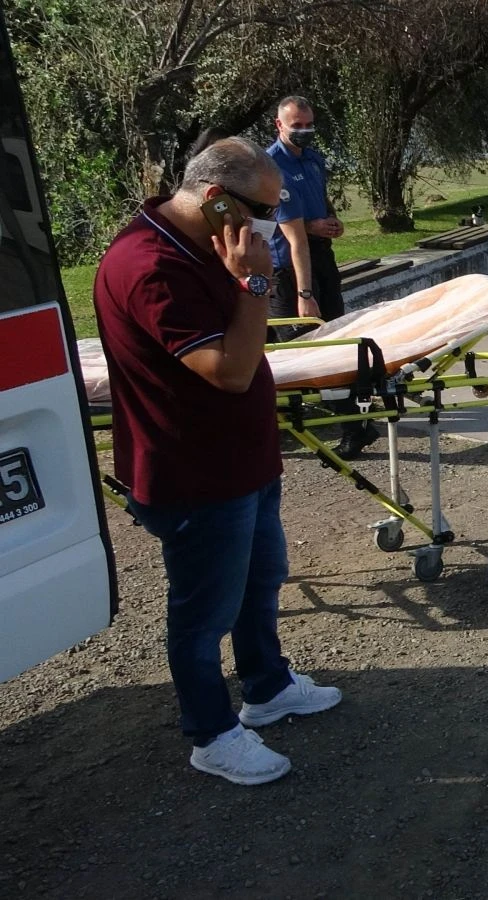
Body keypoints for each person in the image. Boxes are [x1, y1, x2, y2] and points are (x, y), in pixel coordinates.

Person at [93, 137, 343, 785]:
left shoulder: (209, 239)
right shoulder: (150, 266)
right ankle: (211, 732)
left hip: (243, 460)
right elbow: (229, 371)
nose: (267, 225)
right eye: (260, 210)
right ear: (212, 200)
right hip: (194, 473)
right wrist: (258, 280)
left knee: (261, 581)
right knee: (204, 611)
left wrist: (245, 278)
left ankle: (266, 687)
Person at [266, 96, 375, 456]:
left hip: (320, 260)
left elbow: (318, 209)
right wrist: (304, 292)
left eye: (309, 124)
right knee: (300, 345)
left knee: (332, 343)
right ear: (279, 125)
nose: (305, 131)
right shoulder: (273, 169)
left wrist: (329, 223)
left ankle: (355, 423)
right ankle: (345, 421)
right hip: (289, 268)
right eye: (296, 126)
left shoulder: (314, 160)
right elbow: (294, 239)